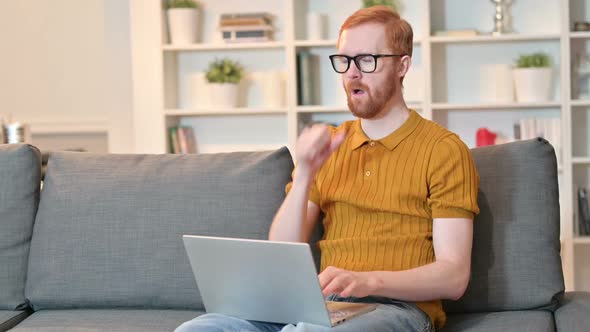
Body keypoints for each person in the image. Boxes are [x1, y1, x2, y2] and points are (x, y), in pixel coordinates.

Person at [175, 5, 479, 332]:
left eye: (367, 60)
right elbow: (282, 251)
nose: (352, 73)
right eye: (344, 60)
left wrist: (368, 281)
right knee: (200, 329)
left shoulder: (443, 149)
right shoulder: (331, 145)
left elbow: (453, 276)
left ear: (402, 66)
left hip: (398, 310)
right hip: (322, 307)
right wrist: (305, 171)